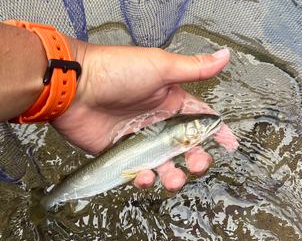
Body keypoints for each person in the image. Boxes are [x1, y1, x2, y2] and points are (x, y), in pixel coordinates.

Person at [0, 21, 235, 192]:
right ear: (187, 133)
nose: (208, 125)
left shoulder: (179, 130)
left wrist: (80, 83)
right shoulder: (180, 132)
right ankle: (50, 198)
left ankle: (53, 195)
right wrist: (82, 80)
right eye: (202, 124)